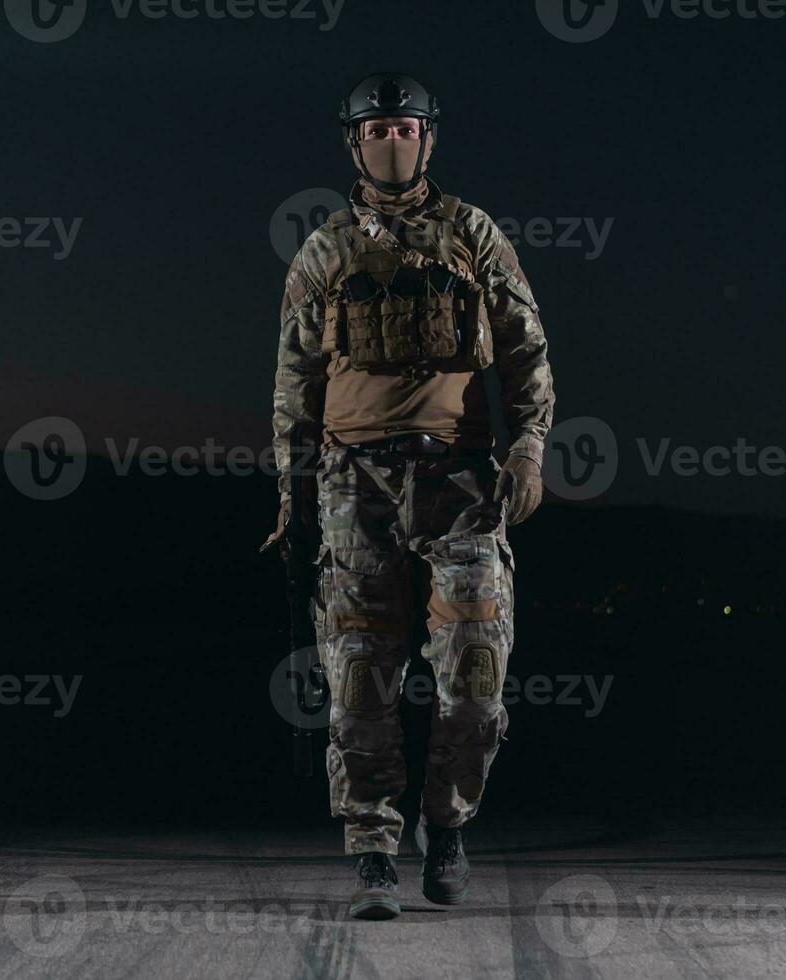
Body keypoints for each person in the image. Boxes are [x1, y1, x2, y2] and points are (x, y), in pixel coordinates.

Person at [265, 71, 555, 921]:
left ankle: (449, 825)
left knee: (475, 673)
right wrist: (294, 495)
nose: (392, 142)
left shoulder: (473, 235)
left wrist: (529, 448)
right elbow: (295, 382)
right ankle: (371, 852)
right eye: (377, 130)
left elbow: (527, 352)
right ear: (354, 144)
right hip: (354, 483)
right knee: (359, 678)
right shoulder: (323, 251)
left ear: (429, 137)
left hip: (459, 481)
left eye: (405, 129)